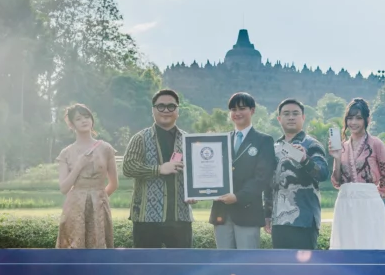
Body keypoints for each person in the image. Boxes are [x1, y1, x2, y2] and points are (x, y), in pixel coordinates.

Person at [122, 89, 194, 248]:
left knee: (181, 267)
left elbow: (195, 173)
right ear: (153, 110)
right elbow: (128, 167)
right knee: (145, 268)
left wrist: (194, 192)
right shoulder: (140, 138)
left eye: (171, 106)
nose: (166, 110)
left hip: (180, 217)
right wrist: (159, 169)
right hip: (146, 218)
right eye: (161, 106)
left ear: (178, 110)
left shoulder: (188, 140)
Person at [209, 92, 277, 249]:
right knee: (224, 264)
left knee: (246, 263)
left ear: (252, 110)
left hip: (247, 213)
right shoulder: (220, 141)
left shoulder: (264, 141)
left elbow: (262, 177)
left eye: (242, 108)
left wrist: (238, 197)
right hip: (221, 213)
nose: (237, 113)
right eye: (233, 109)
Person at [328, 98, 385, 250]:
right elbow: (337, 182)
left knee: (370, 243)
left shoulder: (376, 143)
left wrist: (374, 193)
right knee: (345, 245)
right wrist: (337, 158)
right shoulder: (342, 147)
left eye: (358, 118)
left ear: (367, 119)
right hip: (345, 201)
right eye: (350, 118)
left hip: (368, 202)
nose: (353, 122)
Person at [264, 99, 330, 250]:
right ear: (279, 119)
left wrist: (305, 160)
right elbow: (269, 184)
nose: (291, 117)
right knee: (282, 268)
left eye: (295, 113)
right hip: (279, 220)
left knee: (305, 271)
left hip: (304, 220)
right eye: (286, 114)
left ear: (303, 117)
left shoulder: (312, 144)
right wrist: (267, 214)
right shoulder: (273, 148)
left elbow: (323, 173)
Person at [56, 103, 118, 249]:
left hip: (99, 207)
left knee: (99, 250)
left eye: (86, 117)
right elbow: (64, 188)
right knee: (73, 249)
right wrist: (78, 165)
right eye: (78, 119)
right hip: (74, 207)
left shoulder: (106, 148)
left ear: (92, 120)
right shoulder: (66, 153)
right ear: (71, 125)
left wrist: (99, 198)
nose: (84, 121)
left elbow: (114, 183)